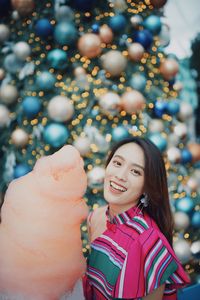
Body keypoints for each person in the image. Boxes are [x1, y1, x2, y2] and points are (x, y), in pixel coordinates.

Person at [82, 137, 190, 300]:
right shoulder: (95, 217)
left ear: (147, 186)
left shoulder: (149, 244)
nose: (120, 176)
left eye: (136, 172)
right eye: (117, 163)